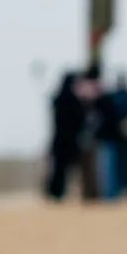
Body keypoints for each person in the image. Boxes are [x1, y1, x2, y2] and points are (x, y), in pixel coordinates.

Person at [92, 71, 127, 200]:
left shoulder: (112, 98)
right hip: (114, 137)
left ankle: (111, 193)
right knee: (110, 167)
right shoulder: (113, 97)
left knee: (110, 167)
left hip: (113, 137)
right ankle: (111, 193)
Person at [46, 70, 86, 202]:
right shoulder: (73, 100)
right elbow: (79, 120)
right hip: (69, 140)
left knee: (58, 168)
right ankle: (66, 192)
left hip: (59, 139)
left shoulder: (58, 98)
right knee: (71, 168)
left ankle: (56, 192)